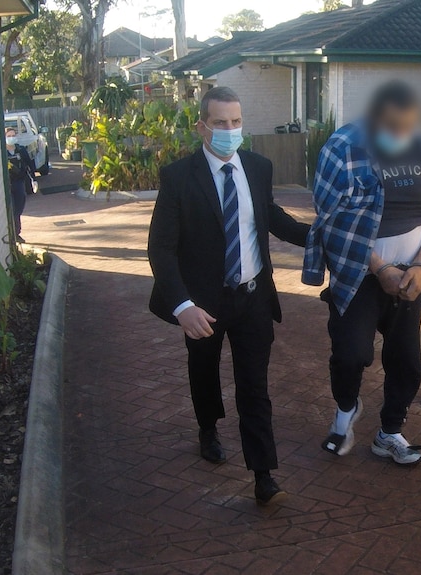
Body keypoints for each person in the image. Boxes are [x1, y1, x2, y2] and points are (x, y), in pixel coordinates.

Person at [147, 86, 310, 505]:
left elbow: (269, 215)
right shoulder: (178, 177)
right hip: (204, 303)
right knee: (204, 371)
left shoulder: (257, 166)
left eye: (236, 121)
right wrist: (182, 306)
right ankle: (207, 427)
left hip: (253, 297)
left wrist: (315, 237)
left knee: (254, 386)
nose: (229, 130)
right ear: (202, 126)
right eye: (220, 123)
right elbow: (160, 248)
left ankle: (263, 474)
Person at [303, 80, 421, 465]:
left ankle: (389, 433)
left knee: (407, 363)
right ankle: (347, 408)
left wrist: (419, 267)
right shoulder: (345, 148)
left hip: (408, 278)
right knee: (351, 354)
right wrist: (380, 267)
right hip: (359, 277)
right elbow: (332, 221)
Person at [5, 126, 34, 243]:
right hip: (7, 183)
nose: (11, 138)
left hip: (19, 182)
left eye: (13, 136)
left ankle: (17, 233)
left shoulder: (20, 150)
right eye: (8, 136)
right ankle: (11, 234)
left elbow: (29, 162)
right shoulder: (2, 151)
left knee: (18, 208)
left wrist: (33, 178)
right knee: (10, 209)